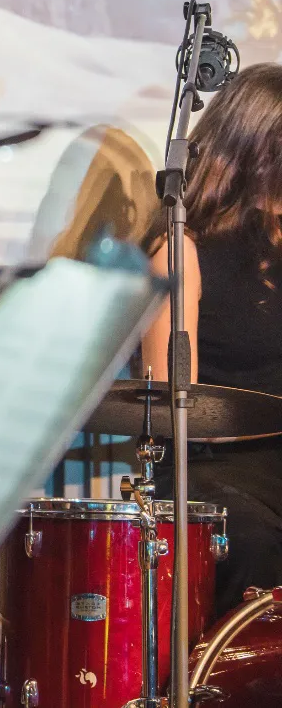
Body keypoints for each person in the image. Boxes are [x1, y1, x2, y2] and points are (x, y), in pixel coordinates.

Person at [142, 63, 282, 615]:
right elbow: (170, 409)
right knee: (250, 539)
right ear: (256, 149)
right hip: (216, 469)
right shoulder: (183, 250)